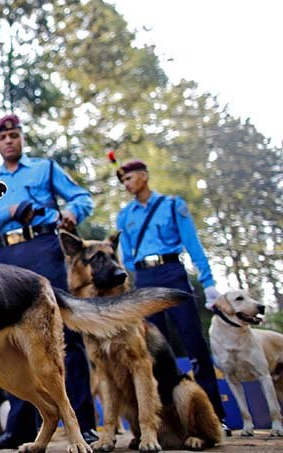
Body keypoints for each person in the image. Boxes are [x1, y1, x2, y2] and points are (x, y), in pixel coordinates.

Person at [0, 114, 98, 450]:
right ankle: (20, 429)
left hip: (44, 248)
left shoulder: (45, 169)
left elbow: (82, 197)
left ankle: (83, 424)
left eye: (13, 135)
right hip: (6, 260)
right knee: (6, 343)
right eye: (2, 138)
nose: (8, 141)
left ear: (21, 138)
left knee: (63, 337)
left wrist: (73, 212)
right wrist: (10, 211)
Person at [115, 159, 226, 422]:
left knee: (194, 343)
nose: (126, 184)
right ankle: (166, 418)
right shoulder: (125, 216)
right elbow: (126, 258)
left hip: (172, 273)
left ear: (143, 175)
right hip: (144, 279)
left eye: (129, 178)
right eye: (123, 181)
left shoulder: (173, 205)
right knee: (154, 350)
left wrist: (208, 283)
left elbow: (193, 245)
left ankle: (213, 416)